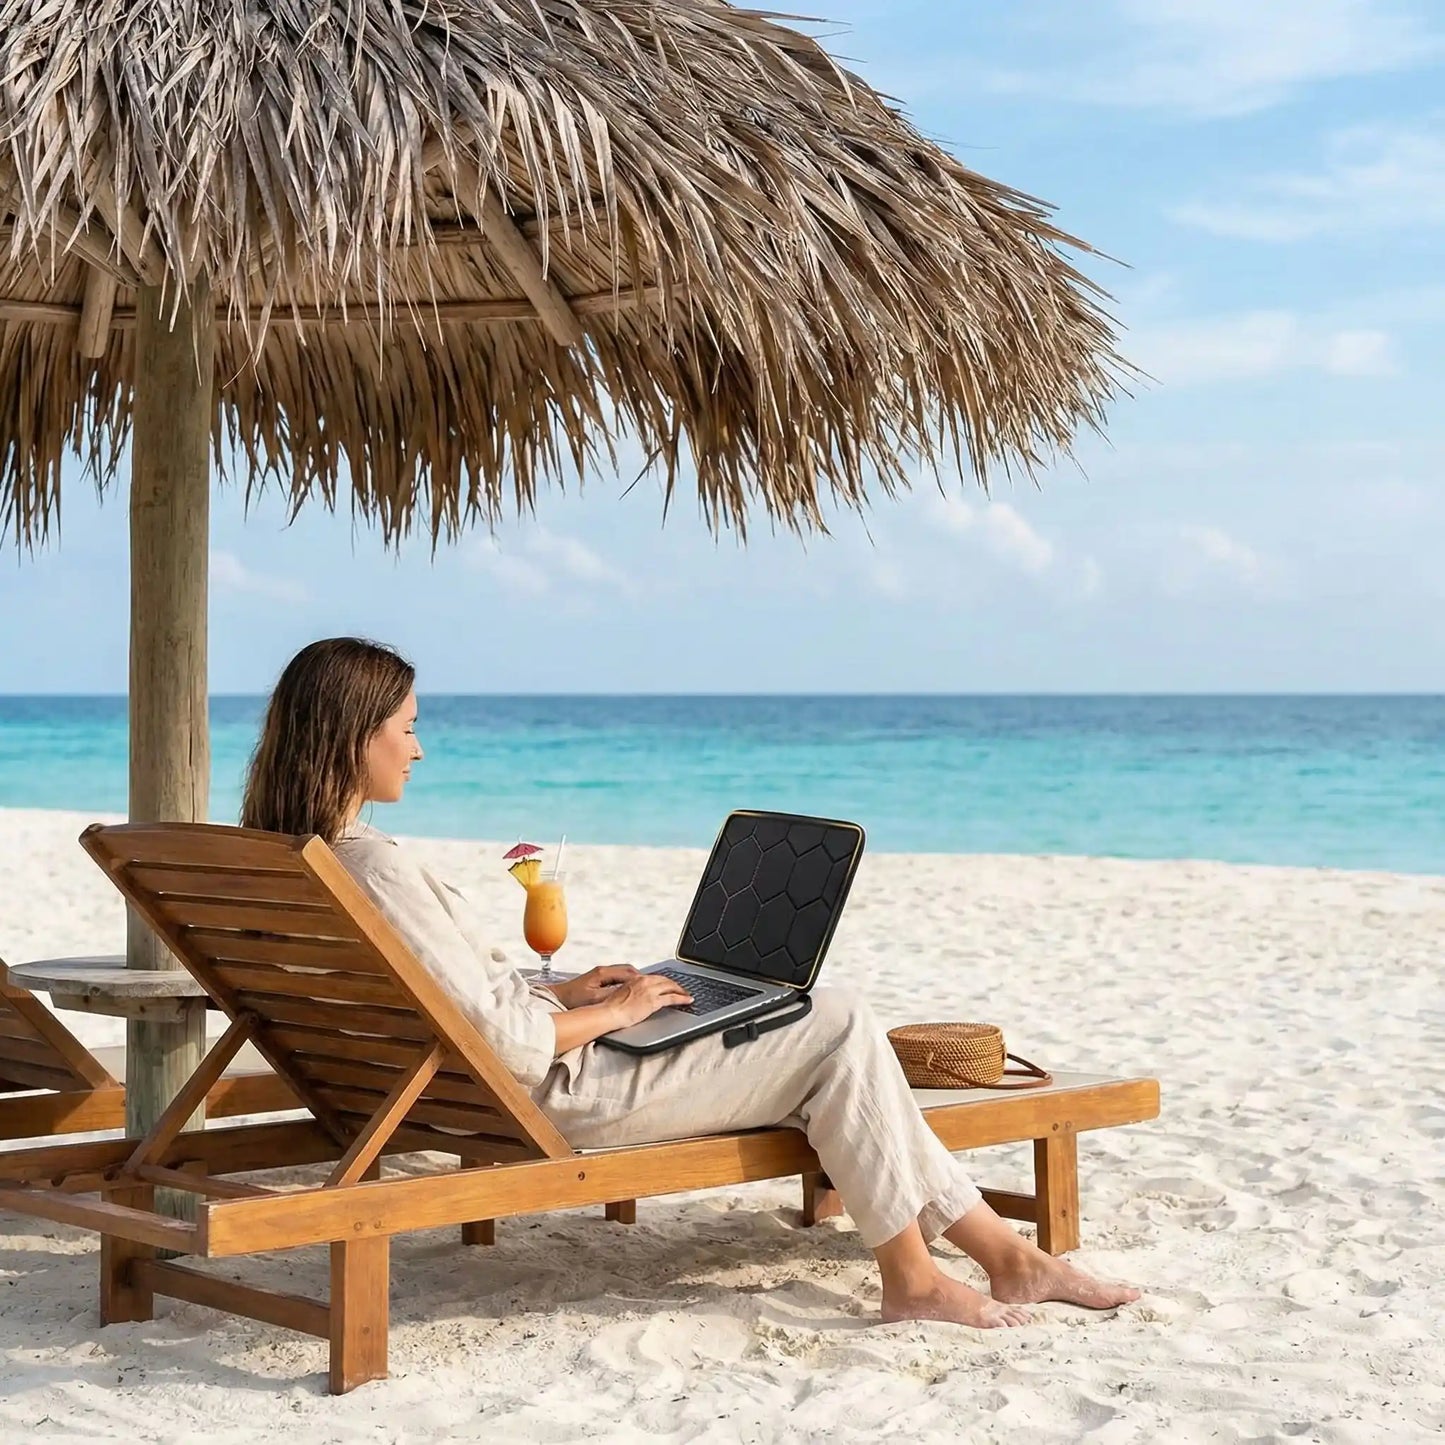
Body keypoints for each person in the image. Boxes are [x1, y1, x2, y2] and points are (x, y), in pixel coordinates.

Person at [242, 637, 1140, 1328]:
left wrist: (562, 989)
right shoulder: (376, 867)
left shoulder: (298, 864)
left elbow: (445, 1005)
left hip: (452, 1095)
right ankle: (919, 1275)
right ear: (351, 734)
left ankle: (998, 1256)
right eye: (406, 727)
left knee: (828, 1052)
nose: (420, 748)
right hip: (554, 1095)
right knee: (833, 1020)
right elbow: (501, 1043)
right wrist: (623, 1007)